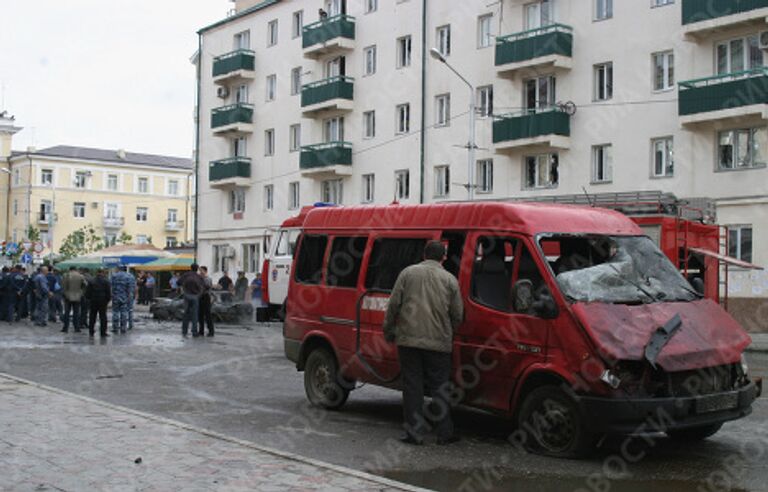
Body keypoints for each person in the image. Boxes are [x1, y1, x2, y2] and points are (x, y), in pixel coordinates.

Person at [382, 241, 464, 446]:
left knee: (412, 387)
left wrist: (389, 330)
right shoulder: (449, 279)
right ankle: (444, 433)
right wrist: (449, 331)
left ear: (424, 254)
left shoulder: (407, 273)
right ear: (443, 257)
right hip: (438, 343)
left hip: (408, 340)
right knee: (440, 387)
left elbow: (393, 305)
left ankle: (414, 433)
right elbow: (457, 314)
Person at [179, 263, 205, 337]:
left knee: (185, 314)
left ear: (190, 268)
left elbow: (178, 282)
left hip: (186, 295)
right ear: (197, 269)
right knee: (195, 315)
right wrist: (198, 295)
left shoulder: (186, 275)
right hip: (195, 297)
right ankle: (194, 332)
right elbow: (204, 286)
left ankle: (184, 331)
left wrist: (184, 288)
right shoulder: (199, 277)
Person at [60, 267, 87, 333]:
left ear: (70, 269)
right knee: (76, 313)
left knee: (67, 312)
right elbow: (85, 285)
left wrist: (64, 293)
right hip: (77, 296)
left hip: (67, 296)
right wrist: (82, 292)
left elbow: (63, 286)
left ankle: (65, 328)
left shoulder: (66, 275)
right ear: (76, 269)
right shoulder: (81, 276)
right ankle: (76, 328)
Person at [86, 269, 111, 337]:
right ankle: (103, 332)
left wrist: (89, 299)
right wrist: (107, 300)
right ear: (102, 273)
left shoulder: (91, 281)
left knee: (92, 316)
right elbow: (108, 292)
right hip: (103, 301)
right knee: (103, 317)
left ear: (97, 273)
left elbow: (87, 293)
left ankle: (91, 331)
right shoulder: (106, 281)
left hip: (93, 300)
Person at [111, 266, 136, 334]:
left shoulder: (114, 276)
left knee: (115, 312)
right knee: (124, 312)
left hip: (116, 297)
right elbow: (131, 289)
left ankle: (115, 327)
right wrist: (130, 297)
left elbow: (111, 286)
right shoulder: (130, 276)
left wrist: (112, 295)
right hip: (125, 297)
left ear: (119, 269)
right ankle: (123, 328)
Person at [198, 266, 214, 337]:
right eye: (199, 271)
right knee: (200, 315)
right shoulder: (199, 278)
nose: (200, 272)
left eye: (202, 270)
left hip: (206, 297)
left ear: (205, 271)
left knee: (208, 316)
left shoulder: (208, 279)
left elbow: (207, 287)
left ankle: (211, 331)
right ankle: (201, 331)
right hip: (200, 297)